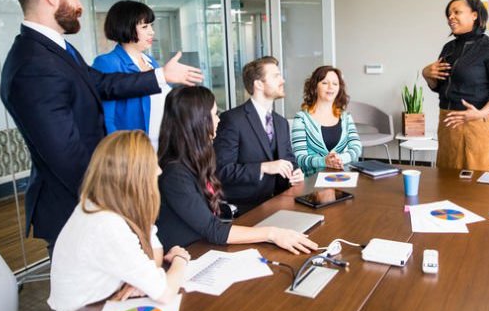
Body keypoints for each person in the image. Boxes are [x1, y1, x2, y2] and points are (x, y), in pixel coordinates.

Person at [0, 0, 202, 252]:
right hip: (76, 206)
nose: (79, 4)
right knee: (92, 294)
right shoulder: (34, 64)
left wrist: (161, 76)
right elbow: (66, 155)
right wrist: (117, 204)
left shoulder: (56, 50)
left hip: (94, 199)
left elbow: (103, 83)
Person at [155, 86, 317, 254]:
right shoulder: (175, 174)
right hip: (188, 253)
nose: (218, 120)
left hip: (204, 244)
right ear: (198, 121)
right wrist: (272, 233)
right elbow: (213, 229)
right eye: (214, 114)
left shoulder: (195, 160)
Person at [47, 130, 189, 311]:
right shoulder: (106, 224)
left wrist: (141, 281)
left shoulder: (100, 203)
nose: (159, 171)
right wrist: (181, 259)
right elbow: (165, 292)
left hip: (102, 305)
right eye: (153, 165)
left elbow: (154, 254)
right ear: (135, 175)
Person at [421, 0, 489, 171]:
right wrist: (427, 75)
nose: (450, 17)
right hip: (447, 124)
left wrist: (480, 113)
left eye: (456, 12)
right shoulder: (448, 48)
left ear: (474, 15)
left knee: (477, 191)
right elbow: (440, 88)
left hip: (476, 124)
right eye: (448, 14)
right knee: (446, 182)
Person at [213, 56, 303, 215]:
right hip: (246, 209)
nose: (282, 80)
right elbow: (222, 171)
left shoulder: (281, 123)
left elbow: (289, 160)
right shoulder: (232, 120)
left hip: (281, 203)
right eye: (276, 76)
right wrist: (263, 167)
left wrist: (295, 172)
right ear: (259, 84)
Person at [92, 0, 168, 148]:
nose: (151, 31)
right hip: (133, 153)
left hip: (160, 149)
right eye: (145, 26)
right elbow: (106, 120)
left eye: (151, 25)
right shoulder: (107, 63)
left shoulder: (151, 61)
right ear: (125, 28)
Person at [291, 66, 362, 175]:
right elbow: (299, 157)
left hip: (343, 178)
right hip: (313, 181)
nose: (330, 87)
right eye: (325, 83)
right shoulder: (301, 118)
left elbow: (357, 148)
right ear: (315, 87)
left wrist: (340, 159)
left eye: (335, 83)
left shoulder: (346, 117)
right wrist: (324, 162)